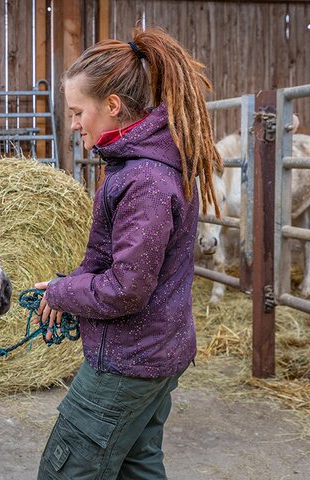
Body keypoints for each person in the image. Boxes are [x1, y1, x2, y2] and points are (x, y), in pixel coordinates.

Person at [34, 27, 222, 479]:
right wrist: (74, 286)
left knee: (65, 470)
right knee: (138, 467)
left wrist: (63, 292)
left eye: (79, 112)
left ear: (113, 105)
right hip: (154, 353)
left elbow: (126, 289)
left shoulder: (145, 181)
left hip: (129, 361)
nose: (74, 123)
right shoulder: (142, 169)